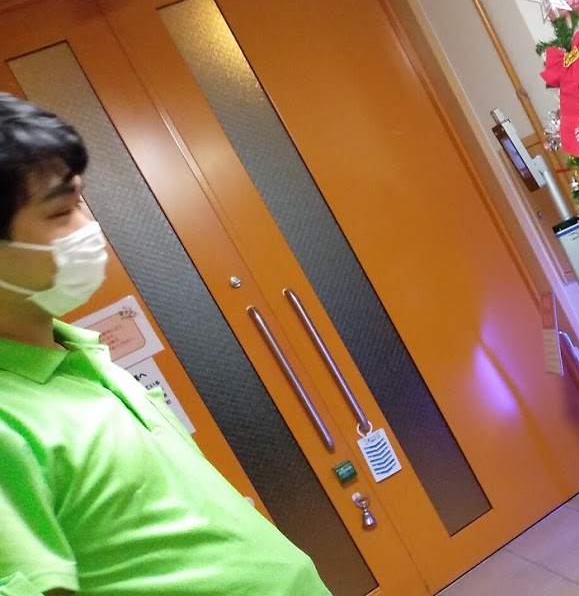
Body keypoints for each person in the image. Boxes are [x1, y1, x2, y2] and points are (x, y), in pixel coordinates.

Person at [0, 94, 331, 595]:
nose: (89, 228)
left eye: (81, 201)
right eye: (61, 210)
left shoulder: (77, 354)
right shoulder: (9, 424)